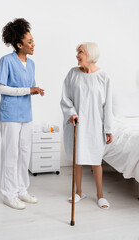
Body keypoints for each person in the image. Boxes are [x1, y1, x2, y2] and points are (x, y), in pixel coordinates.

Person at [0, 18, 44, 210]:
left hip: (26, 114)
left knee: (24, 153)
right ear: (19, 44)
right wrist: (27, 90)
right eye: (29, 41)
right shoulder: (6, 61)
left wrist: (35, 90)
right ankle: (9, 194)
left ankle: (22, 190)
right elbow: (0, 88)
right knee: (11, 154)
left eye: (33, 40)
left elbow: (27, 87)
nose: (33, 44)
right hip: (10, 115)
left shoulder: (30, 64)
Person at [60, 42, 113, 209]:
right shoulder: (72, 74)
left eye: (80, 52)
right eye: (77, 52)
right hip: (78, 123)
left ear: (89, 54)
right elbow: (65, 98)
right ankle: (78, 192)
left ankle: (100, 195)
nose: (77, 55)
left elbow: (108, 105)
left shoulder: (104, 77)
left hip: (96, 124)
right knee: (78, 159)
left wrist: (108, 129)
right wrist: (71, 113)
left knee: (96, 161)